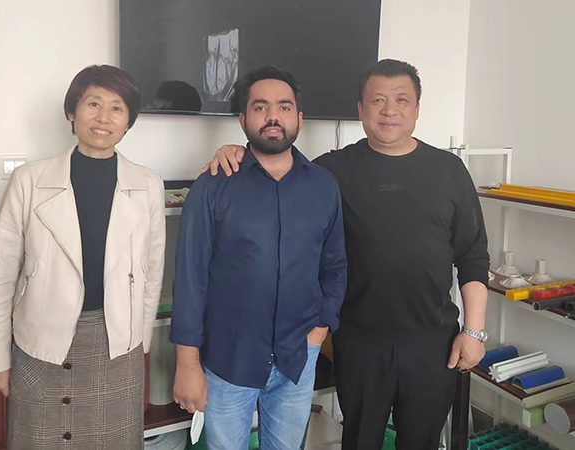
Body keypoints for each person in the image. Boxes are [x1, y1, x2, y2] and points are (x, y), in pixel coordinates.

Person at [203, 59, 490, 450]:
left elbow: (473, 256)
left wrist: (474, 331)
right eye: (377, 100)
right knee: (359, 440)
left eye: (401, 100)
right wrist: (237, 151)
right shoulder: (331, 171)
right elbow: (275, 162)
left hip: (433, 341)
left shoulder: (449, 171)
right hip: (359, 342)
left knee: (422, 442)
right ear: (360, 109)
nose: (389, 110)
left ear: (417, 108)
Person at [0, 65, 166, 449]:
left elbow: (152, 273)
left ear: (128, 121)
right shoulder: (30, 181)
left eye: (117, 108)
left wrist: (139, 341)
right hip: (38, 344)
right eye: (93, 103)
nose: (104, 117)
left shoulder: (147, 184)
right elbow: (0, 275)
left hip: (117, 345)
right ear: (72, 111)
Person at [170, 65, 347, 450]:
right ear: (243, 119)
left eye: (284, 107)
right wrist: (187, 363)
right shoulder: (213, 185)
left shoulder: (323, 186)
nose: (273, 116)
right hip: (228, 360)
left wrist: (319, 331)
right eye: (260, 107)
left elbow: (334, 267)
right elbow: (190, 278)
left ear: (299, 118)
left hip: (298, 357)